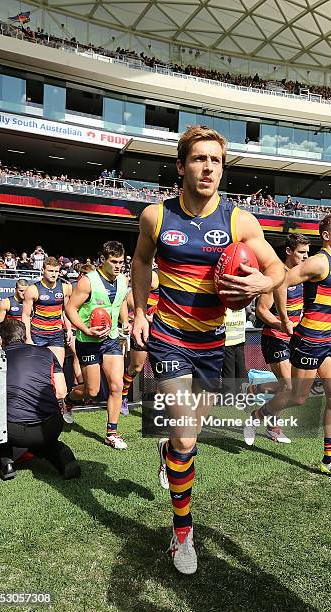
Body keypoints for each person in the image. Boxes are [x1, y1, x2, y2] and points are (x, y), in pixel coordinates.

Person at [131, 125, 284, 574]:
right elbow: (141, 260)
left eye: (215, 161)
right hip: (170, 338)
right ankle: (183, 534)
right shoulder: (155, 217)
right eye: (199, 159)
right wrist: (141, 311)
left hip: (213, 344)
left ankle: (169, 457)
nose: (208, 168)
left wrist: (263, 283)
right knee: (184, 435)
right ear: (181, 166)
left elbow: (275, 265)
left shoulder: (239, 221)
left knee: (185, 442)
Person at [249, 214, 331, 482]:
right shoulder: (318, 262)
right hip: (307, 341)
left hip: (329, 341)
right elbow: (282, 282)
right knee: (298, 397)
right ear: (326, 236)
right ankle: (257, 415)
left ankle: (329, 458)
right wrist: (285, 319)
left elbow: (321, 300)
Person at [245, 234, 310, 444]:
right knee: (289, 388)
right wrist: (281, 325)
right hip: (274, 337)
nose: (305, 256)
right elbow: (262, 310)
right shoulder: (277, 275)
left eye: (307, 252)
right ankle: (272, 427)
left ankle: (257, 389)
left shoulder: (302, 274)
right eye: (301, 252)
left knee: (290, 388)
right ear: (289, 251)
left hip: (294, 338)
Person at [0, 319, 80, 481]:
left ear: (0, 339)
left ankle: (5, 460)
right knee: (43, 440)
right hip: (50, 427)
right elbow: (61, 392)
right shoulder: (47, 353)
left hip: (12, 430)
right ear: (24, 335)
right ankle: (57, 451)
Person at [65, 241, 129, 449]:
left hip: (110, 340)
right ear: (103, 260)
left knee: (117, 386)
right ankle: (68, 401)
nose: (119, 265)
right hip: (88, 341)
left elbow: (120, 303)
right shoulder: (87, 282)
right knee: (91, 392)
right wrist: (85, 329)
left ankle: (112, 432)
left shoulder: (123, 280)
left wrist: (126, 321)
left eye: (121, 261)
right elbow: (70, 309)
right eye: (114, 261)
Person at [22, 257, 72, 401]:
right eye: (50, 271)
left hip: (56, 334)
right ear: (43, 270)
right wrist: (28, 338)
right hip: (37, 334)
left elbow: (66, 312)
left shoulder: (65, 287)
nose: (54, 274)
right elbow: (25, 315)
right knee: (37, 371)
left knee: (57, 370)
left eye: (56, 271)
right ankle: (37, 402)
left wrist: (68, 329)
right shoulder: (33, 289)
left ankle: (58, 404)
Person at [121, 266, 159, 414]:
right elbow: (129, 297)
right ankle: (123, 396)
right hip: (145, 329)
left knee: (163, 369)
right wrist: (142, 316)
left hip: (164, 331)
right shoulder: (155, 277)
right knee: (136, 367)